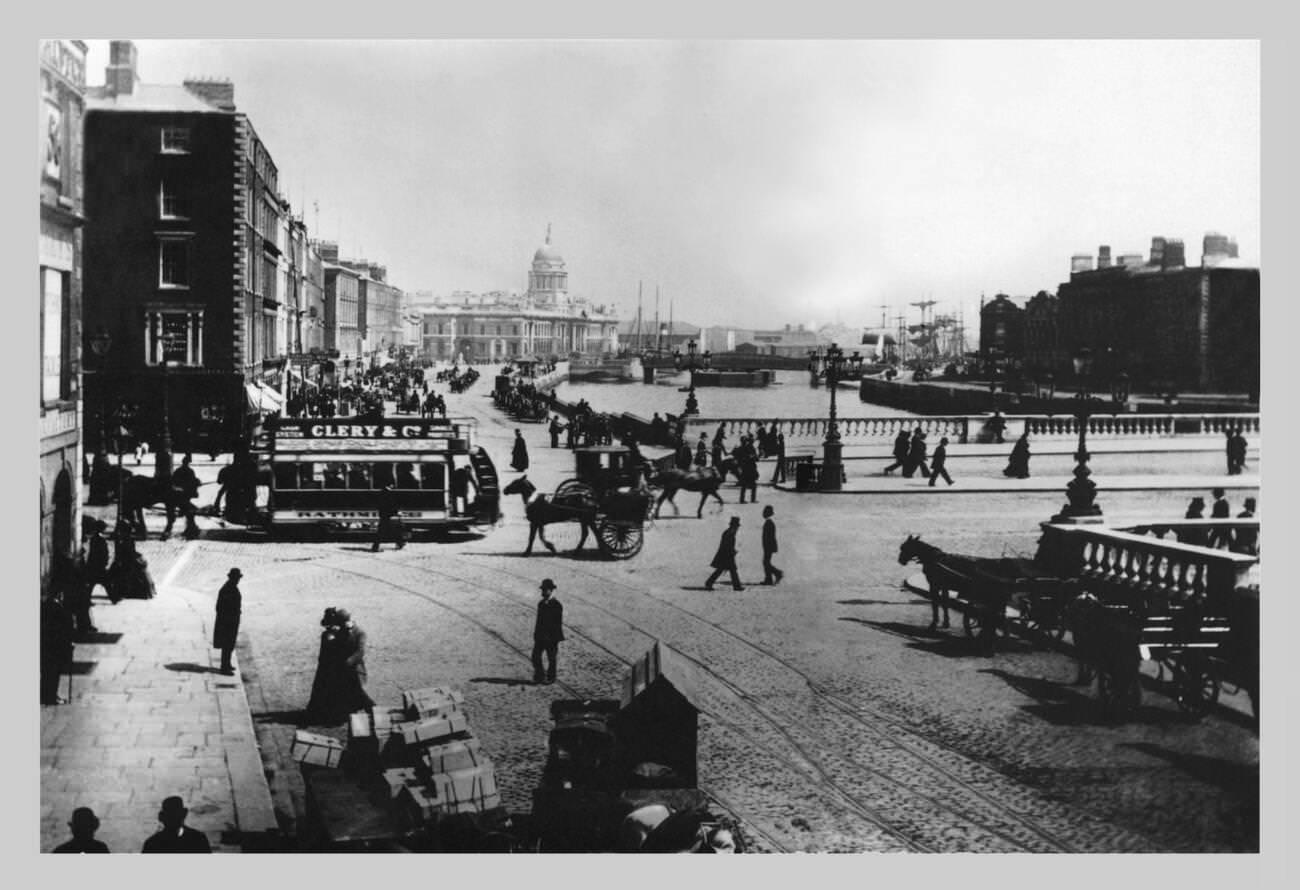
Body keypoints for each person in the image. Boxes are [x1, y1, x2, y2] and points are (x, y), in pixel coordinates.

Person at [306, 607, 346, 723]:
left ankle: (324, 713)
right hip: (332, 665)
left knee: (325, 688)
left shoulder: (328, 634)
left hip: (327, 666)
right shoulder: (338, 634)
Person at [336, 609, 375, 713]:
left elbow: (360, 651)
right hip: (344, 668)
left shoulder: (359, 632)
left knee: (359, 690)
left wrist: (349, 661)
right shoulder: (341, 632)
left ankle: (372, 708)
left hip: (356, 668)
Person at [41, 588, 75, 705]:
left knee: (46, 672)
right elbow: (65, 629)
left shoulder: (44, 606)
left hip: (45, 645)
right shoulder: (60, 609)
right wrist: (69, 643)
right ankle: (51, 697)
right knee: (54, 673)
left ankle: (44, 695)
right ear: (60, 594)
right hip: (55, 647)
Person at [141, 796, 211, 853]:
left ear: (161, 818)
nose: (173, 819)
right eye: (170, 815)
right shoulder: (198, 839)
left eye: (175, 815)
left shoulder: (153, 843)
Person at [531, 578, 565, 684]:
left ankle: (551, 677)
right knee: (535, 656)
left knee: (551, 659)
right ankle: (540, 675)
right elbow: (538, 621)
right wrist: (536, 634)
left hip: (551, 637)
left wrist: (552, 637)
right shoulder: (541, 604)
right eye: (542, 590)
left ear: (551, 590)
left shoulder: (557, 605)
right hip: (540, 637)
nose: (543, 592)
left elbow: (557, 624)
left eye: (545, 590)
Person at [213, 568, 242, 675]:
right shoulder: (227, 589)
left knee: (230, 644)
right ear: (233, 578)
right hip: (227, 622)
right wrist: (229, 618)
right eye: (237, 578)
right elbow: (220, 607)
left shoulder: (231, 587)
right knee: (227, 644)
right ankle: (224, 667)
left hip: (231, 621)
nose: (238, 580)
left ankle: (227, 663)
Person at [704, 516, 744, 591]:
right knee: (731, 570)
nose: (737, 528)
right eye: (736, 526)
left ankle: (709, 582)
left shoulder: (728, 532)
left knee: (722, 570)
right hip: (726, 556)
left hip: (726, 555)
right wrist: (732, 551)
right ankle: (737, 586)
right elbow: (727, 546)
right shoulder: (730, 533)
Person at [372, 483, 407, 552]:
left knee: (390, 529)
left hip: (384, 514)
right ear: (390, 485)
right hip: (386, 514)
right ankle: (376, 547)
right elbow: (390, 505)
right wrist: (396, 512)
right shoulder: (387, 493)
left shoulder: (383, 492)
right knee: (387, 530)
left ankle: (400, 543)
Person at [86, 520, 111, 601]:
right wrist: (105, 561)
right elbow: (103, 553)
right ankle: (114, 597)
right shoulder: (100, 539)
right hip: (99, 565)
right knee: (106, 582)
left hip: (94, 564)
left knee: (91, 584)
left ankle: (87, 599)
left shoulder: (94, 539)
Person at [760, 505, 783, 586]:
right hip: (768, 546)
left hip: (768, 547)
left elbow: (770, 537)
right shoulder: (769, 522)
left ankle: (777, 573)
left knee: (766, 562)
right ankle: (769, 579)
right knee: (766, 562)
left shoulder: (769, 523)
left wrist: (769, 547)